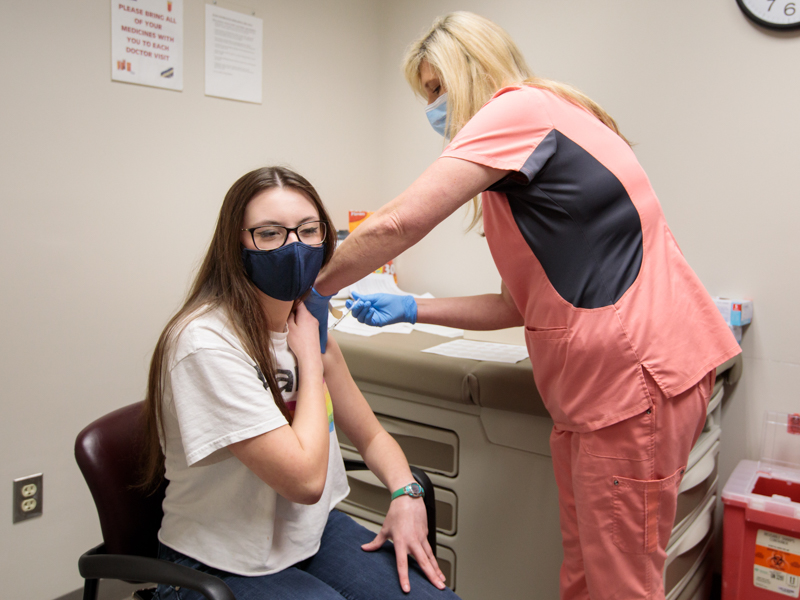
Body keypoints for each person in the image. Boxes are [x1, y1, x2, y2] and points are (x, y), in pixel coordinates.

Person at [312, 12, 741, 600]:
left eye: (437, 89)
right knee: (585, 574)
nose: (434, 109)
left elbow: (399, 221)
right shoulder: (544, 129)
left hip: (632, 384)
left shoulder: (515, 113)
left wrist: (307, 290)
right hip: (606, 392)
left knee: (620, 586)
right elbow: (519, 303)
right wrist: (412, 308)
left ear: (470, 70)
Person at [139, 166, 457, 600]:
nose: (294, 246)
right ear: (236, 243)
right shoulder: (206, 344)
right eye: (270, 234)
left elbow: (372, 435)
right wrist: (309, 358)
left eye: (309, 230)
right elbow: (306, 483)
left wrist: (407, 494)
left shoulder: (304, 322)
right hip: (219, 561)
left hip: (311, 535)